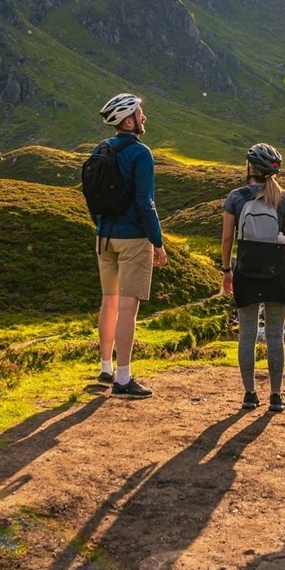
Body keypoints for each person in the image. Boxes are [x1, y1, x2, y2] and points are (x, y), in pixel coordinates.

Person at [91, 92, 166, 399]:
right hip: (133, 239)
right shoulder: (141, 154)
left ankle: (106, 368)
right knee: (127, 309)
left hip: (104, 237)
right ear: (128, 120)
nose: (143, 118)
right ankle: (124, 379)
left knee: (108, 302)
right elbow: (145, 202)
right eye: (139, 113)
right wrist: (158, 242)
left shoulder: (101, 149)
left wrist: (101, 227)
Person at [219, 143, 285, 413]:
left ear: (249, 167)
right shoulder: (284, 198)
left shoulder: (236, 197)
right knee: (275, 336)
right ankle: (276, 397)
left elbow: (227, 239)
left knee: (247, 335)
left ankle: (249, 395)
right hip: (277, 275)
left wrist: (227, 273)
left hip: (246, 274)